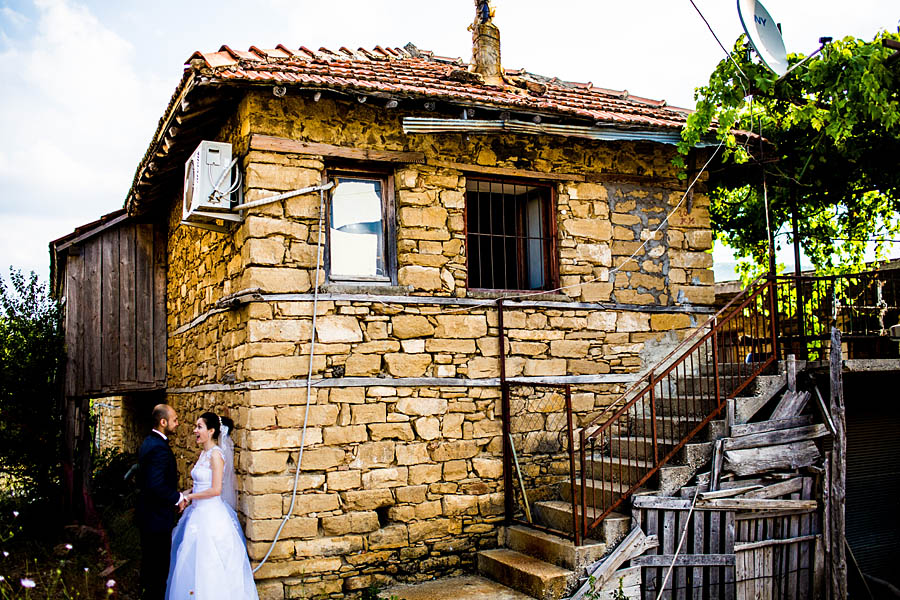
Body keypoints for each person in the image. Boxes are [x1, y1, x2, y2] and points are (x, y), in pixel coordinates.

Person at [166, 412, 259, 600]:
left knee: (210, 563)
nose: (195, 431)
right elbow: (202, 484)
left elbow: (216, 489)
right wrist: (183, 494)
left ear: (211, 431)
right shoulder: (204, 454)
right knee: (192, 561)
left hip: (212, 516)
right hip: (197, 514)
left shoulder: (217, 455)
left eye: (199, 427)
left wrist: (190, 497)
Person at [136, 404, 188, 600]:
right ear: (163, 422)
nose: (177, 423)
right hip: (155, 519)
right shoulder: (159, 448)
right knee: (158, 570)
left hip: (147, 516)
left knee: (149, 566)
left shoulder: (149, 442)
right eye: (174, 420)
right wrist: (177, 497)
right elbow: (155, 484)